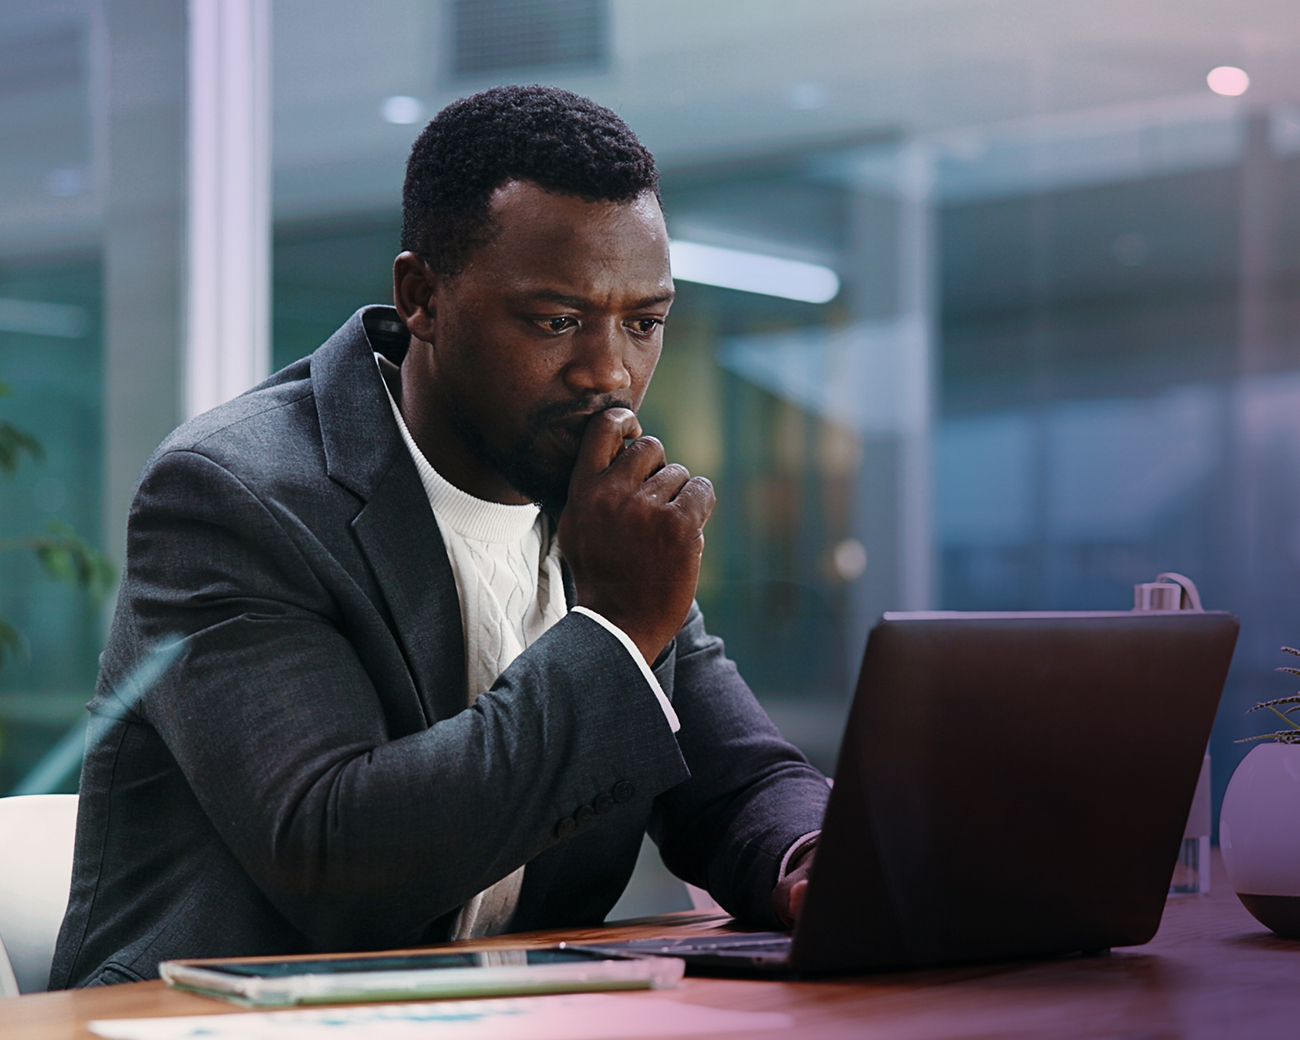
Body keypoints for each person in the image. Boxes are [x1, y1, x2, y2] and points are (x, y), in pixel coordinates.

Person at [51, 85, 830, 988]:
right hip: (212, 1022)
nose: (610, 373)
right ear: (422, 297)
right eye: (557, 321)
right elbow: (334, 857)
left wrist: (814, 861)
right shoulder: (235, 495)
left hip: (514, 1012)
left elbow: (740, 783)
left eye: (643, 323)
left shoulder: (592, 501)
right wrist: (616, 630)